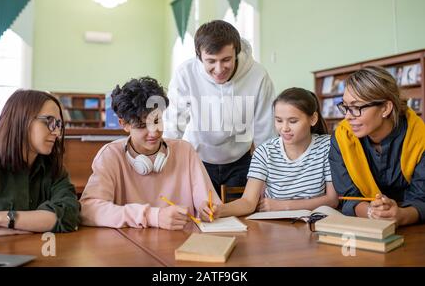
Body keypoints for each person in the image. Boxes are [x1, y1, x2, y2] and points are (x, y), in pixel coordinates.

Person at [80, 77, 221, 230]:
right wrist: (154, 216)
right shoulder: (110, 155)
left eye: (157, 121)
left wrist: (208, 209)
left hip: (181, 245)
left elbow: (209, 203)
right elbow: (88, 210)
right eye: (142, 126)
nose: (153, 132)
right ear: (124, 124)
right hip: (130, 247)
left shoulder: (185, 151)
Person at [164, 20, 276, 197]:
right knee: (202, 217)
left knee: (240, 216)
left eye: (226, 60)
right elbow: (173, 125)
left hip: (241, 162)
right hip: (198, 159)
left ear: (236, 52)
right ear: (199, 56)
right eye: (211, 61)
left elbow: (265, 131)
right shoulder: (185, 73)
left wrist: (270, 178)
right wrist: (163, 162)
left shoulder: (258, 75)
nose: (219, 69)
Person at [204, 88, 338, 218]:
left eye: (293, 121)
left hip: (315, 225)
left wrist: (283, 206)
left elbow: (332, 200)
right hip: (275, 227)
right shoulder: (264, 151)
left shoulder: (328, 146)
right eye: (279, 120)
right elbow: (248, 202)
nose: (284, 128)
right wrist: (220, 210)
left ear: (313, 119)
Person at [0, 90, 80, 237]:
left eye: (58, 124)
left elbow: (69, 216)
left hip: (40, 254)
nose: (57, 132)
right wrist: (34, 222)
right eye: (49, 122)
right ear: (21, 120)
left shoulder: (55, 170)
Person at [330, 66, 425, 226]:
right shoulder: (342, 138)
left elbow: (422, 198)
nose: (347, 116)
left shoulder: (420, 137)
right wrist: (372, 213)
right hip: (366, 226)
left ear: (386, 108)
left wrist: (401, 215)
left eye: (357, 107)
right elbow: (348, 196)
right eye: (345, 106)